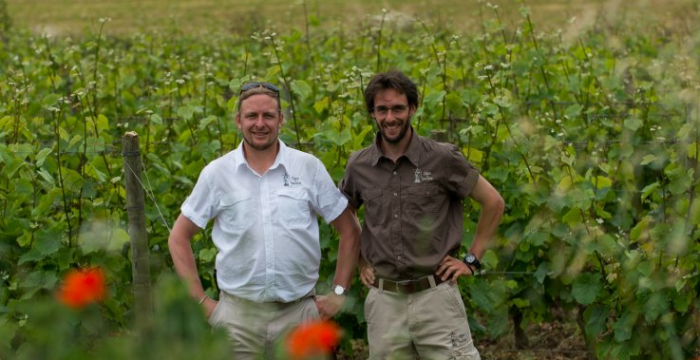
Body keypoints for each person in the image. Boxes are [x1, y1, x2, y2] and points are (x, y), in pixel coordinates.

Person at [168, 81, 360, 359]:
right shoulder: (217, 174)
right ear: (238, 121)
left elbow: (350, 230)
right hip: (237, 322)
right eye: (252, 116)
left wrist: (339, 292)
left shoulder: (307, 167)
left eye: (268, 115)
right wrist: (201, 302)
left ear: (281, 119)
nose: (260, 123)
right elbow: (178, 237)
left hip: (300, 318)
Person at [339, 70, 505, 360]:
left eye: (398, 108)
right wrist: (362, 260)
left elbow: (493, 202)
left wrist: (471, 261)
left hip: (436, 298)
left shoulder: (442, 158)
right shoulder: (359, 165)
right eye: (382, 110)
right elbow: (345, 214)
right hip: (384, 302)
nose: (390, 118)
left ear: (412, 108)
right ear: (372, 113)